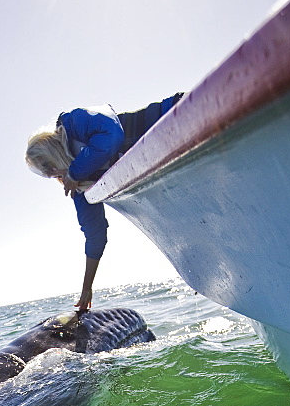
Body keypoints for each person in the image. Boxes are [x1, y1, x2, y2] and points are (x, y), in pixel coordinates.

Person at [25, 95, 184, 310]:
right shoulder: (80, 186)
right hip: (175, 160)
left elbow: (111, 134)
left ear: (52, 151)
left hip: (176, 116)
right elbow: (95, 235)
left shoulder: (73, 124)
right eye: (47, 174)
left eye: (48, 167)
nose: (54, 175)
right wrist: (87, 288)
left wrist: (75, 171)